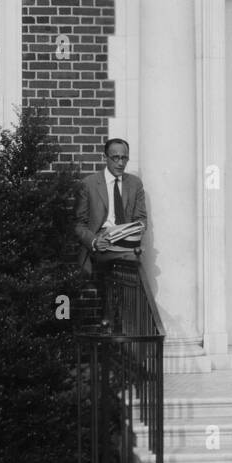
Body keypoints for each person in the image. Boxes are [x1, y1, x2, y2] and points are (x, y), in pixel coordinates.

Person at [75, 138, 148, 326]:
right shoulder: (89, 184)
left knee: (124, 264)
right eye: (115, 158)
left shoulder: (135, 184)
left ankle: (111, 320)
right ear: (105, 157)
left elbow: (141, 220)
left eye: (125, 158)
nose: (121, 163)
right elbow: (79, 225)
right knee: (127, 264)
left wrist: (129, 232)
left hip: (125, 241)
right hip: (101, 243)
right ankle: (117, 320)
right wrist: (94, 241)